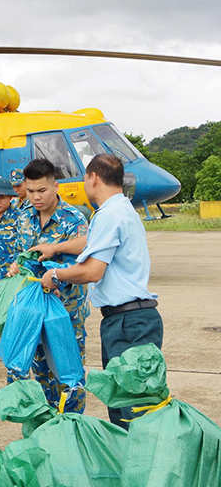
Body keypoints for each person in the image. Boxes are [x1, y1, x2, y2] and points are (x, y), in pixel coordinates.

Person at [37, 154, 163, 427]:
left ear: (93, 178)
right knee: (133, 404)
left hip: (126, 324)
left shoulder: (108, 214)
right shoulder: (122, 209)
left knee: (129, 411)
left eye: (84, 178)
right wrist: (56, 248)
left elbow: (92, 271)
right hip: (135, 320)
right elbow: (91, 241)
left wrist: (56, 275)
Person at [8, 159, 89, 414]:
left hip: (65, 312)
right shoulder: (24, 217)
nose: (35, 197)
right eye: (30, 191)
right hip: (34, 310)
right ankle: (46, 425)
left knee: (68, 376)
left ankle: (72, 427)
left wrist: (57, 277)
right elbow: (22, 255)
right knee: (40, 372)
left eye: (42, 190)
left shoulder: (73, 220)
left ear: (55, 186)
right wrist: (16, 266)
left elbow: (83, 264)